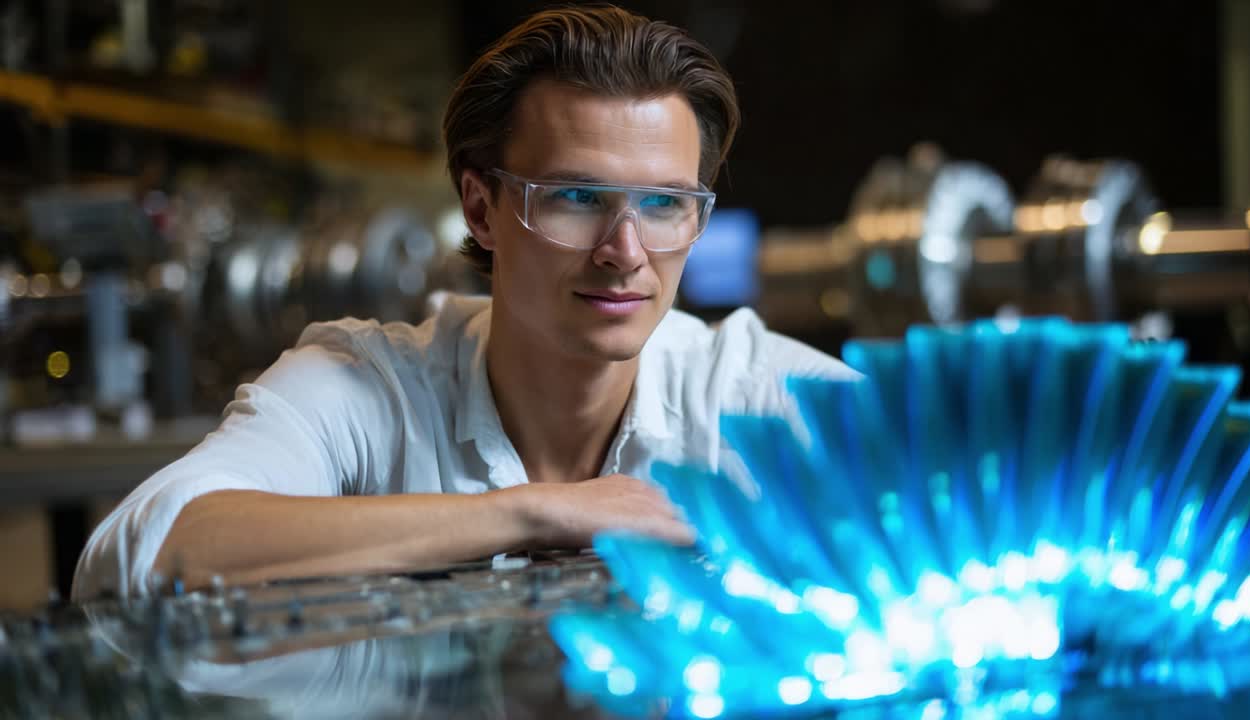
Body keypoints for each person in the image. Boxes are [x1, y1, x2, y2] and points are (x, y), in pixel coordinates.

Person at [72, 5, 854, 599]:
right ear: (481, 209)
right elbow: (137, 554)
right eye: (576, 196)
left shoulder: (743, 392)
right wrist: (536, 513)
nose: (625, 251)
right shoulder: (370, 387)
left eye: (663, 204)